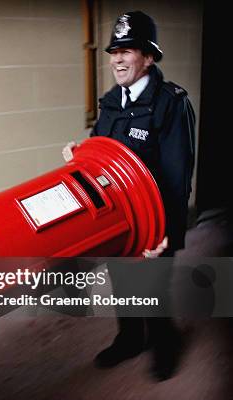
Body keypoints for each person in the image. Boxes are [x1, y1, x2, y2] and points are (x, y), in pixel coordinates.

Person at [63, 11, 195, 380]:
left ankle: (165, 344)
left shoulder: (172, 103)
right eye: (113, 51)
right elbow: (102, 150)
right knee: (124, 283)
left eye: (128, 50)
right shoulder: (111, 102)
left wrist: (166, 231)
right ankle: (130, 339)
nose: (117, 59)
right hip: (120, 219)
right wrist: (80, 154)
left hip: (156, 218)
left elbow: (177, 174)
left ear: (149, 57)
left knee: (152, 287)